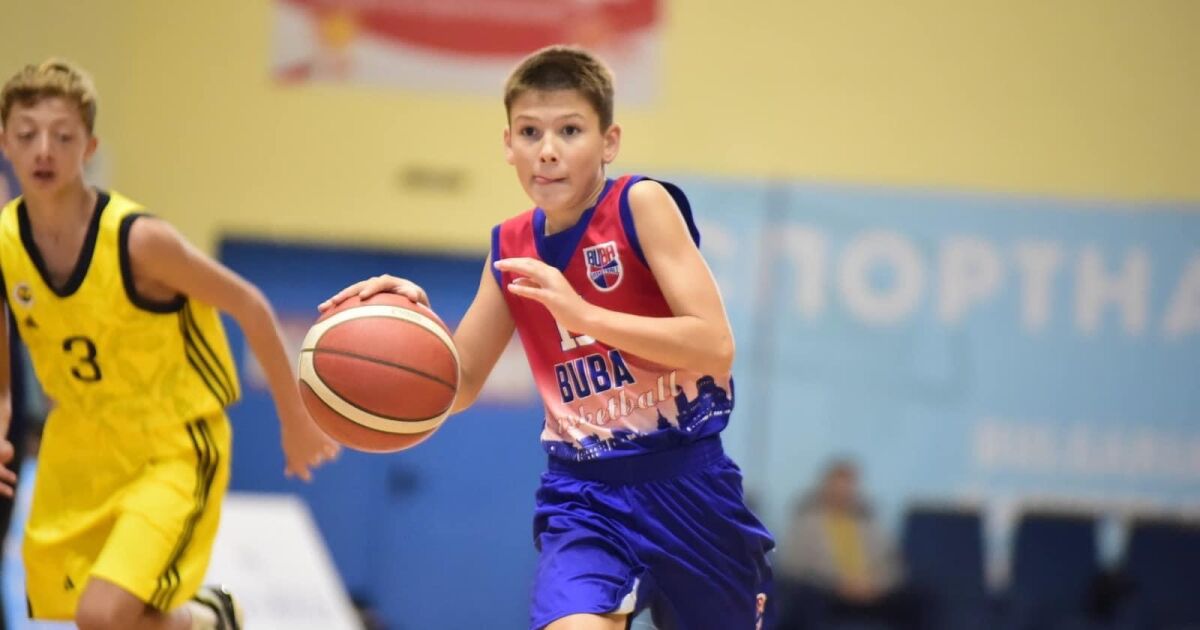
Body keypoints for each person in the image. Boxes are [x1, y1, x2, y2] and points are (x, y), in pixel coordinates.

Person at [320, 45, 775, 630]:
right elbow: (458, 385)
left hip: (689, 485)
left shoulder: (640, 204)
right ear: (508, 144)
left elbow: (714, 345)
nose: (549, 149)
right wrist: (410, 325)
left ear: (609, 142)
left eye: (570, 130)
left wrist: (585, 316)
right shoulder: (509, 247)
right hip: (585, 496)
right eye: (530, 131)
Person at [0, 59, 340, 630]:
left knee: (102, 615)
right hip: (80, 446)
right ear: (4, 142)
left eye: (63, 136)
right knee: (78, 613)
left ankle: (212, 616)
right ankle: (202, 619)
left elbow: (250, 304)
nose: (44, 151)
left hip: (172, 444)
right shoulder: (6, 243)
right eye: (27, 134)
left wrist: (296, 420)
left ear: (89, 147)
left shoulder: (139, 242)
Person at [776, 459, 921, 630]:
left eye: (848, 487)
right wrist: (838, 584)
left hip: (871, 591)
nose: (842, 492)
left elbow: (892, 562)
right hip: (828, 592)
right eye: (837, 487)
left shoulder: (869, 522)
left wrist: (875, 584)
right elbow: (792, 564)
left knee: (919, 599)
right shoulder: (806, 521)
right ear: (826, 488)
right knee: (803, 600)